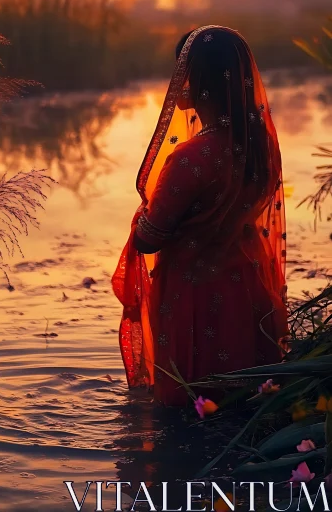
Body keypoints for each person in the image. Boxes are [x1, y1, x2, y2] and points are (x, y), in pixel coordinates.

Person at [112, 25, 288, 405]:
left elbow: (149, 238)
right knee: (247, 403)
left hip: (197, 301)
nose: (178, 81)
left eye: (183, 70)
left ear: (200, 79)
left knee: (190, 407)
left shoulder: (191, 158)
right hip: (249, 292)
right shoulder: (263, 149)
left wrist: (142, 215)